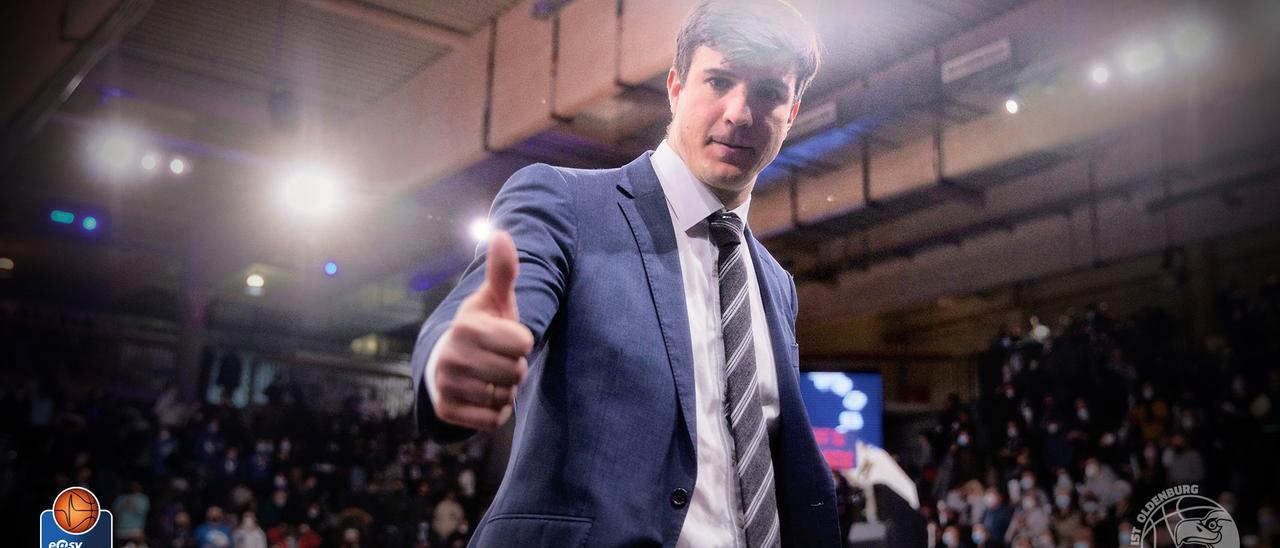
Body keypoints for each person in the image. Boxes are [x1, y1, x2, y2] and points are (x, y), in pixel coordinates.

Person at [409, 1, 838, 545]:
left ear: (792, 112)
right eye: (719, 81)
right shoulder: (566, 203)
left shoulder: (775, 283)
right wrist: (453, 357)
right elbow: (504, 305)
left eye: (769, 94)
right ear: (676, 87)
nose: (740, 112)